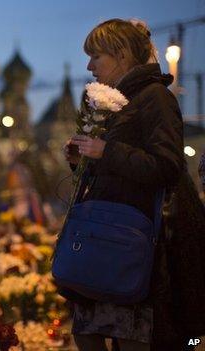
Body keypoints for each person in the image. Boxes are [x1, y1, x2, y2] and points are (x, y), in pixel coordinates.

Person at [63, 18, 205, 350]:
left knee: (131, 341)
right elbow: (114, 168)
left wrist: (106, 150)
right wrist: (80, 160)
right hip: (104, 238)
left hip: (131, 246)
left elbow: (167, 166)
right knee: (86, 335)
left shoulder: (155, 97)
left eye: (96, 56)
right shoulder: (114, 100)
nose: (89, 65)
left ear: (122, 54)